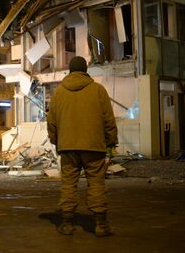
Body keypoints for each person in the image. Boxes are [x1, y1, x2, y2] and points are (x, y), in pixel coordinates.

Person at [47, 56, 118, 237]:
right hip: (94, 146)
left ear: (69, 70)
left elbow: (51, 122)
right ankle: (101, 224)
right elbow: (108, 119)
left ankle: (67, 223)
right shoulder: (98, 90)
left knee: (69, 184)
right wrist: (110, 142)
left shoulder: (59, 92)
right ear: (86, 70)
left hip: (68, 146)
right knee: (96, 183)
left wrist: (57, 141)